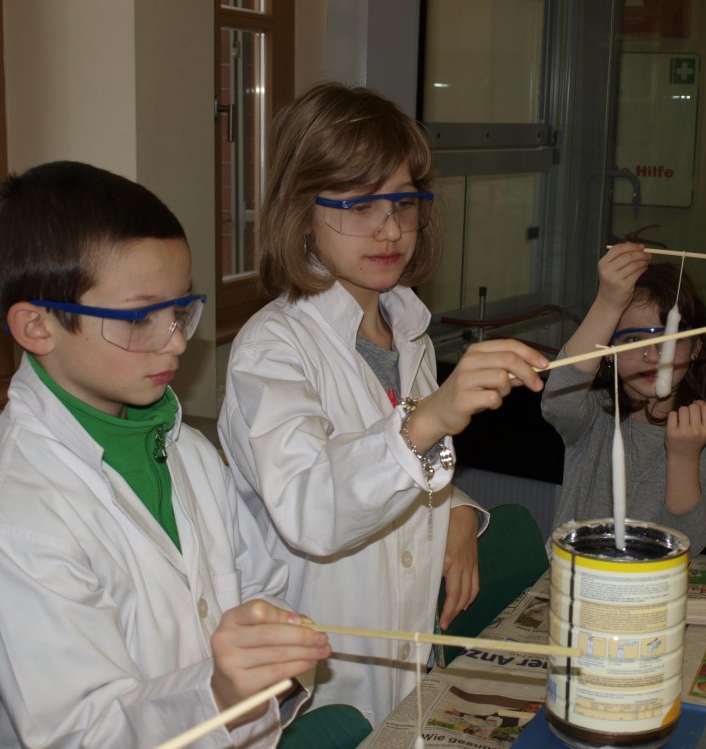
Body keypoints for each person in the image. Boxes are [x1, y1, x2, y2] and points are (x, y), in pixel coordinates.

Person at [217, 81, 548, 726]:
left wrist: (455, 507)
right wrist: (431, 419)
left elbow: (393, 466)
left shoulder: (406, 330)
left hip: (405, 665)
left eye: (403, 201)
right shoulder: (271, 350)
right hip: (322, 684)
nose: (390, 227)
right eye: (359, 204)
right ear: (300, 211)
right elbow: (311, 509)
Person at [0, 161, 332, 748]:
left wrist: (271, 646)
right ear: (37, 327)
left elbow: (261, 586)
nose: (175, 340)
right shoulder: (15, 512)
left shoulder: (187, 452)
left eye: (178, 311)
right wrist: (218, 696)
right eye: (138, 318)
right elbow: (78, 732)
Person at [542, 245, 706, 554]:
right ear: (607, 351)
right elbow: (558, 398)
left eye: (669, 339)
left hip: (654, 581)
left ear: (696, 348)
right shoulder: (592, 412)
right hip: (578, 576)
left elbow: (691, 542)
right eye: (634, 340)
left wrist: (683, 457)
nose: (653, 356)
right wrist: (607, 304)